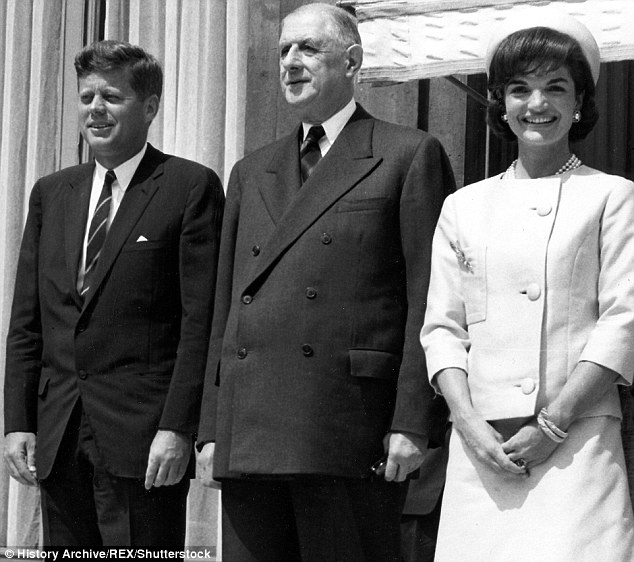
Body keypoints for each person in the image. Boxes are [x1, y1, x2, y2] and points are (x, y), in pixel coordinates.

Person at [196, 3, 455, 561]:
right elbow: (227, 307)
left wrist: (412, 422)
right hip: (252, 429)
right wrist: (212, 426)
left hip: (347, 428)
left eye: (308, 48)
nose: (290, 60)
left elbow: (428, 302)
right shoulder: (251, 170)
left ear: (353, 62)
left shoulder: (407, 155)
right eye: (284, 49)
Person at [421, 10, 634, 561]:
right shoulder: (462, 207)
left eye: (554, 87)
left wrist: (554, 426)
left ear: (580, 102)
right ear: (501, 103)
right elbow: (442, 328)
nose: (537, 104)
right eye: (520, 89)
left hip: (577, 444)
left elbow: (622, 319)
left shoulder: (612, 196)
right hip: (483, 449)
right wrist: (467, 424)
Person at [3, 40, 224, 547]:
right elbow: (27, 320)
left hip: (143, 442)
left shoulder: (189, 187)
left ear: (149, 107)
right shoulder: (51, 192)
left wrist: (179, 429)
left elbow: (200, 324)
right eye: (86, 98)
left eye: (111, 97)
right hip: (58, 435)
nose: (95, 110)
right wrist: (18, 422)